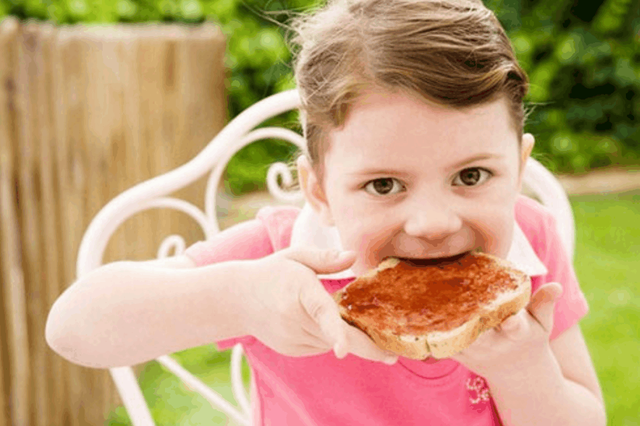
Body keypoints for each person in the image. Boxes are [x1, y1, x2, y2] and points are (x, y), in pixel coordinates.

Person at [46, 0, 606, 424]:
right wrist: (238, 296)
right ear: (317, 190)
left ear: (519, 163)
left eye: (472, 176)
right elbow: (74, 329)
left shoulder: (532, 241)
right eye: (384, 184)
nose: (434, 222)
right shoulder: (281, 263)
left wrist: (520, 368)